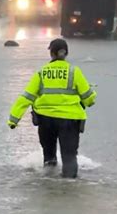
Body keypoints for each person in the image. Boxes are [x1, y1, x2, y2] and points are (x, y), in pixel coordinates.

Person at [7, 38, 96, 178]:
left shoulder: (42, 73)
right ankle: (70, 188)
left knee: (49, 157)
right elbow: (89, 98)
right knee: (69, 157)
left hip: (45, 119)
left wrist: (13, 120)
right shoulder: (74, 72)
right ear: (66, 53)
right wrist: (88, 102)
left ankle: (48, 186)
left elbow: (26, 97)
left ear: (52, 54)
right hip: (70, 121)